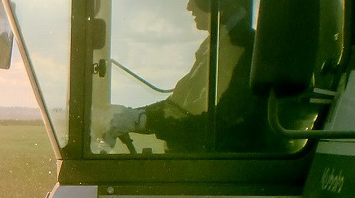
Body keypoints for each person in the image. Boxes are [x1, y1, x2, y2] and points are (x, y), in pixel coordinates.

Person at [103, 0, 264, 153]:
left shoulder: (241, 48)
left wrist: (143, 120)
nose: (188, 7)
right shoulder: (217, 47)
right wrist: (132, 114)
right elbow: (177, 105)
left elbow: (220, 124)